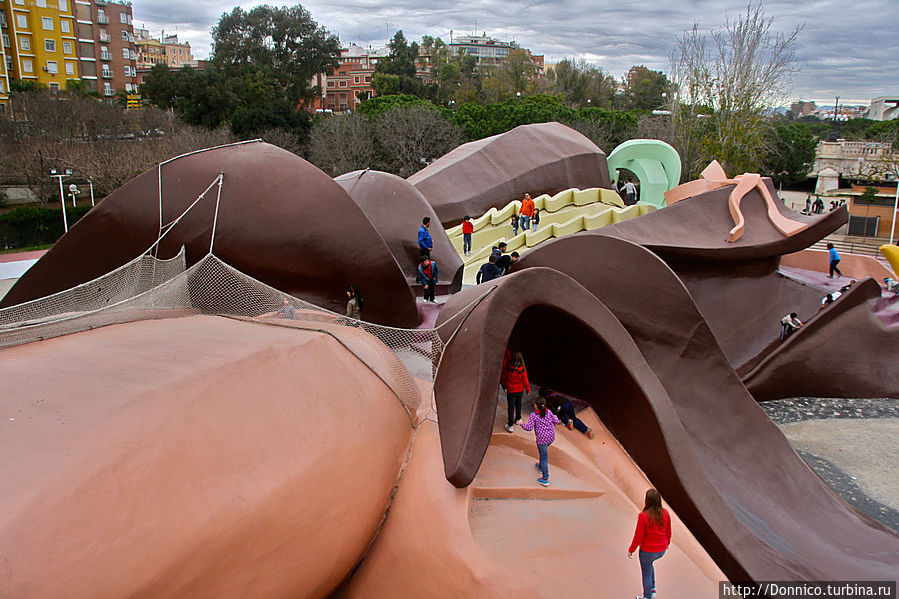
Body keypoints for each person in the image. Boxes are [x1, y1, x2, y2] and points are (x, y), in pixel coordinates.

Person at [628, 488, 672, 599]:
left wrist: (631, 549)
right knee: (649, 565)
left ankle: (647, 597)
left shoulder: (643, 516)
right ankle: (652, 590)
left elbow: (638, 536)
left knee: (646, 572)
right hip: (661, 550)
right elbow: (668, 531)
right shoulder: (665, 513)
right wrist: (667, 544)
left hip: (647, 551)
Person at [519, 394, 560, 487]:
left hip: (542, 440)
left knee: (544, 457)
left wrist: (521, 423)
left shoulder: (534, 415)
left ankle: (545, 478)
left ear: (536, 405)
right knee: (543, 454)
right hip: (551, 438)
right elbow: (556, 421)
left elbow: (529, 428)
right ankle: (540, 465)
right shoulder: (548, 412)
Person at [501, 351, 530, 433]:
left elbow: (504, 377)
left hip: (511, 391)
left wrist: (504, 385)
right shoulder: (522, 369)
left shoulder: (509, 368)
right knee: (518, 404)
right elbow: (525, 380)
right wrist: (528, 390)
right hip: (520, 390)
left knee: (511, 407)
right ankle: (518, 419)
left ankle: (510, 425)